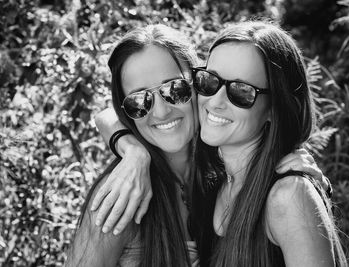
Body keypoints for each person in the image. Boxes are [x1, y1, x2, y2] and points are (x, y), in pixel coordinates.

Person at [66, 23, 326, 267]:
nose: (160, 113)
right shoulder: (122, 195)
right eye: (139, 102)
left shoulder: (222, 175)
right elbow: (105, 116)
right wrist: (133, 152)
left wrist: (305, 192)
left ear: (197, 84)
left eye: (174, 89)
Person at [191, 21, 348, 266]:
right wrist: (130, 149)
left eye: (241, 91)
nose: (215, 101)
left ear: (275, 109)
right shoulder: (213, 180)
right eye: (209, 81)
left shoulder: (288, 196)